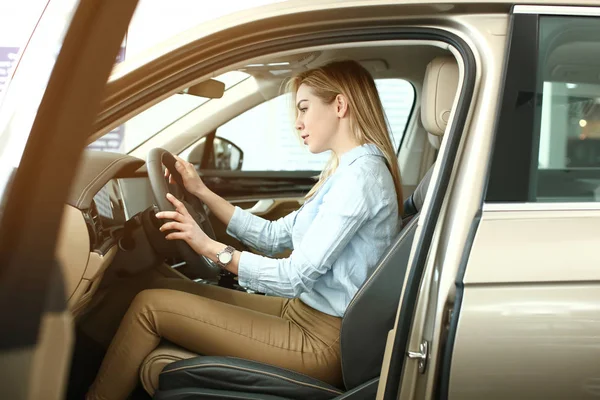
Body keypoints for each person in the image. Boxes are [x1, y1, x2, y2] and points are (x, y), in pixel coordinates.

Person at [87, 60, 403, 400]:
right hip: (303, 311)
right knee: (156, 284)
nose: (297, 123)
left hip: (322, 339)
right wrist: (201, 191)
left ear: (339, 105)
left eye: (304, 108)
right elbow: (275, 236)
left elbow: (293, 277)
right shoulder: (348, 171)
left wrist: (208, 246)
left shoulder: (361, 178)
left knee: (150, 307)